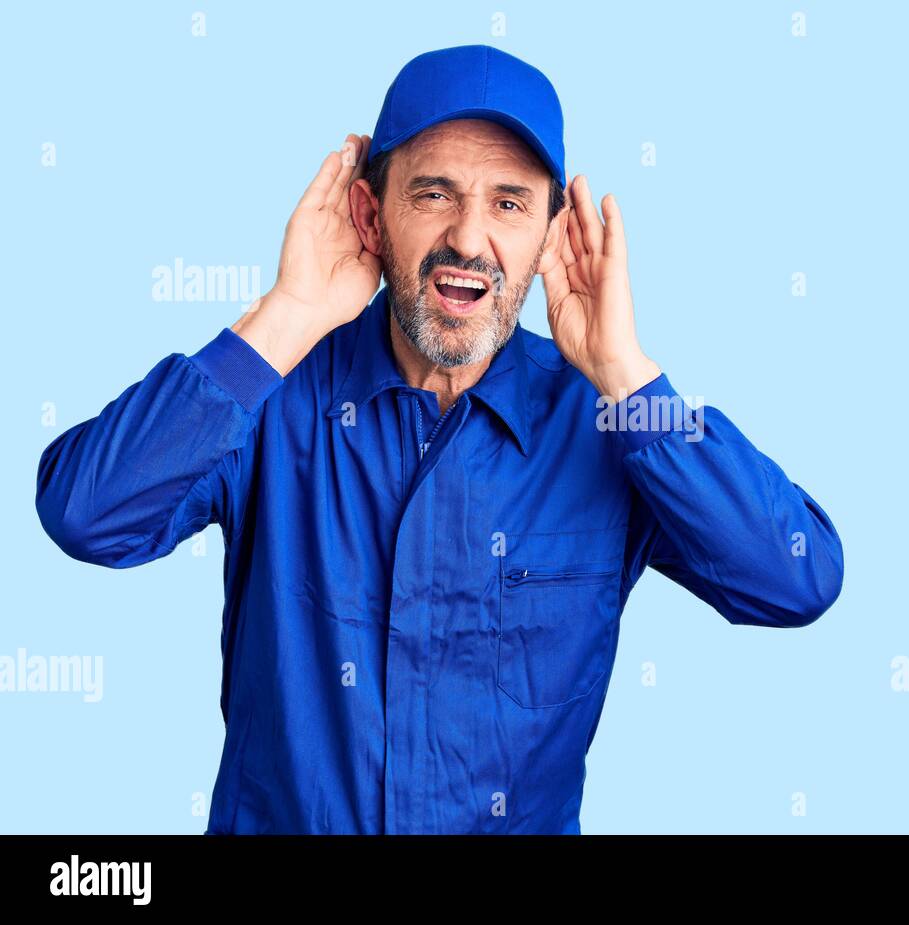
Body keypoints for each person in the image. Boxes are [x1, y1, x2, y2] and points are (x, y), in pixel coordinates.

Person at [35, 45, 844, 834]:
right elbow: (85, 513)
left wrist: (628, 374)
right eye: (433, 194)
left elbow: (794, 577)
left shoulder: (608, 421)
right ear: (371, 215)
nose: (468, 238)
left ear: (551, 235)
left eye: (509, 204)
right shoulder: (273, 391)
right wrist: (284, 316)